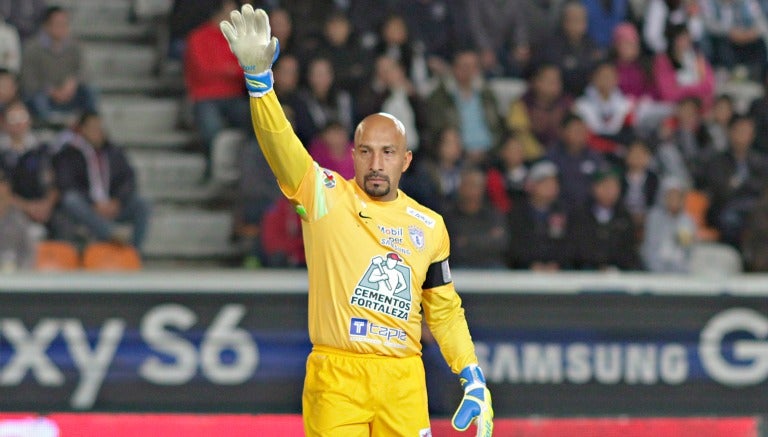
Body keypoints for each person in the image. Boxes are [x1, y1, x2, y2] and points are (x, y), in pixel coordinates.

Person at [219, 5, 492, 436]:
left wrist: (471, 373)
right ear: (353, 155)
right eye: (366, 151)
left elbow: (443, 310)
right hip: (336, 376)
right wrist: (260, 86)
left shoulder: (429, 226)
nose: (376, 163)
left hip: (404, 381)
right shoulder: (325, 194)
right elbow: (282, 149)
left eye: (387, 153)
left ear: (406, 160)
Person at [53, 112, 151, 252]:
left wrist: (117, 201)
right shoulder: (70, 153)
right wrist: (93, 203)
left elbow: (128, 178)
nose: (97, 132)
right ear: (82, 130)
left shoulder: (114, 152)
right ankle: (110, 234)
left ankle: (134, 253)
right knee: (70, 200)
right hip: (87, 207)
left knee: (142, 204)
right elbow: (66, 183)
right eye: (93, 128)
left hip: (113, 204)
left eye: (100, 127)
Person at [184, 0, 252, 180]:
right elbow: (202, 71)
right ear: (218, 14)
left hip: (235, 96)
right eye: (230, 13)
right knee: (211, 130)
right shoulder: (198, 37)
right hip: (206, 96)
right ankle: (212, 171)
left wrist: (224, 69)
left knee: (257, 122)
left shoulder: (238, 38)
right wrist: (230, 69)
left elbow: (246, 68)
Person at [21, 6, 98, 126]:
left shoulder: (75, 47)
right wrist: (50, 90)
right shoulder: (32, 48)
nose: (62, 28)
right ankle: (50, 126)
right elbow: (28, 80)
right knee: (36, 98)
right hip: (45, 94)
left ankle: (89, 125)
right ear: (46, 25)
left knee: (90, 91)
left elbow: (85, 71)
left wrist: (72, 82)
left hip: (70, 93)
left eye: (65, 24)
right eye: (58, 24)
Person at [0, 167, 35, 271]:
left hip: (15, 276)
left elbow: (29, 253)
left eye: (2, 198)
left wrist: (20, 274)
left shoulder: (19, 220)